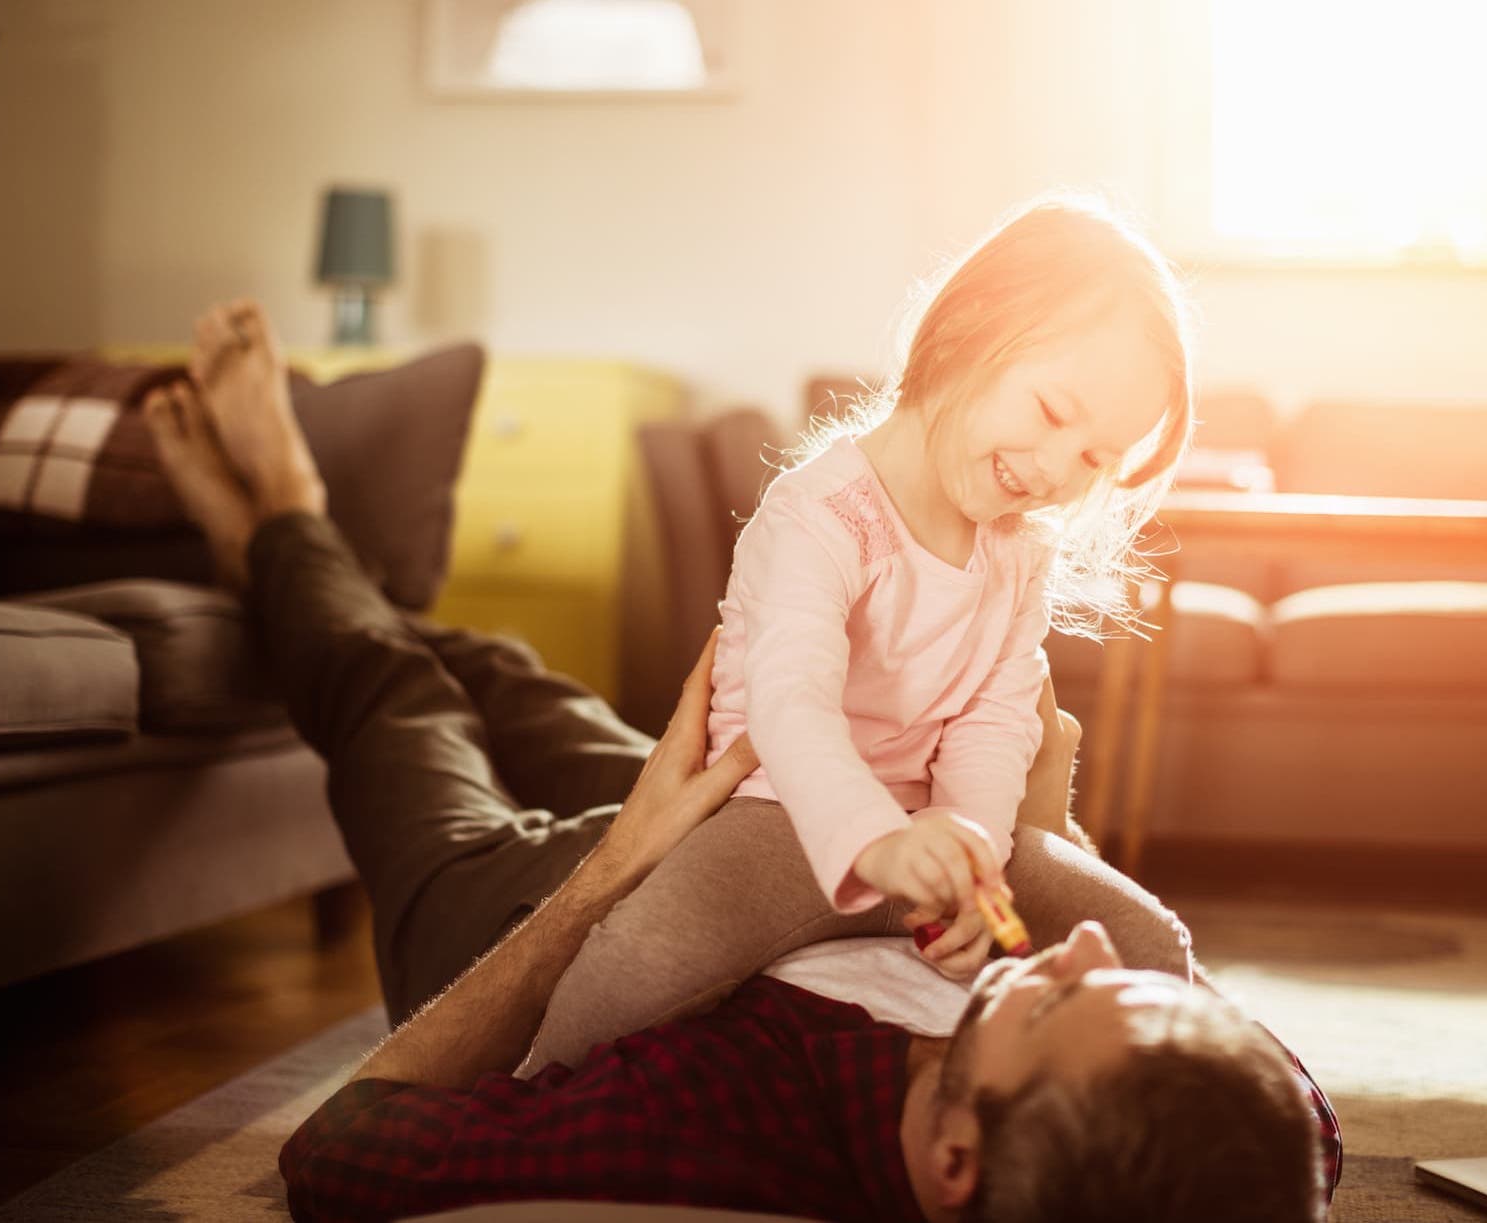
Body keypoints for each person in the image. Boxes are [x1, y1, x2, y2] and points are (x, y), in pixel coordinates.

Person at [144, 299, 1339, 1222]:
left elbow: (341, 1159)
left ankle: (276, 518)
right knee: (505, 668)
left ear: (953, 1158)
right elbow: (1280, 1118)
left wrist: (617, 865)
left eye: (1061, 994)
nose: (1076, 946)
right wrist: (1029, 837)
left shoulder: (711, 1117)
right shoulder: (1193, 1147)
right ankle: (323, 569)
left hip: (531, 909)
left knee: (393, 692)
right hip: (757, 811)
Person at [522, 195, 1202, 1074]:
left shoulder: (1017, 553)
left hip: (930, 834)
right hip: (782, 822)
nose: (1055, 466)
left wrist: (970, 846)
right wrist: (877, 843)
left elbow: (996, 719)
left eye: (1095, 460)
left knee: (1148, 944)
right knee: (633, 968)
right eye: (1050, 409)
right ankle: (509, 1108)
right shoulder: (820, 512)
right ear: (968, 329)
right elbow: (790, 703)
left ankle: (1129, 1119)